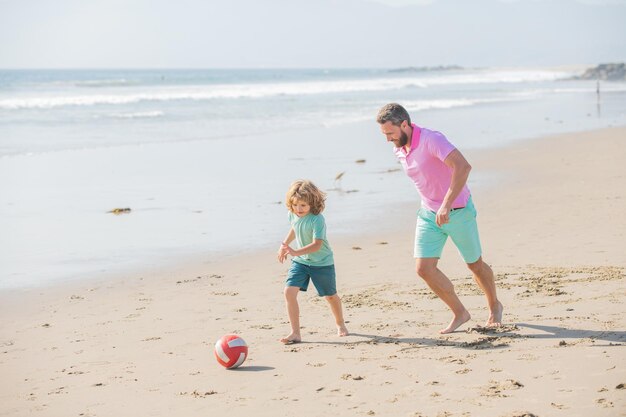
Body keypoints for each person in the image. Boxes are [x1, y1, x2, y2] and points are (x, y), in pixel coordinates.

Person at [376, 103, 503, 334]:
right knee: (424, 269)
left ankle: (494, 306)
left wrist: (446, 204)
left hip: (458, 211)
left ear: (405, 124)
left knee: (475, 264)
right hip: (428, 215)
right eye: (384, 134)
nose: (388, 139)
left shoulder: (431, 139)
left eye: (390, 133)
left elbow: (463, 167)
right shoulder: (399, 147)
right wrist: (434, 206)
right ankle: (460, 313)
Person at [277, 179, 349, 344]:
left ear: (312, 203)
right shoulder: (293, 214)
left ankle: (340, 323)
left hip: (322, 263)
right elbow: (294, 228)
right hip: (301, 262)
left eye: (303, 205)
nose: (298, 209)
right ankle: (295, 333)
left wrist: (295, 251)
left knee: (330, 296)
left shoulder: (317, 219)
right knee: (288, 292)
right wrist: (284, 245)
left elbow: (317, 245)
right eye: (295, 205)